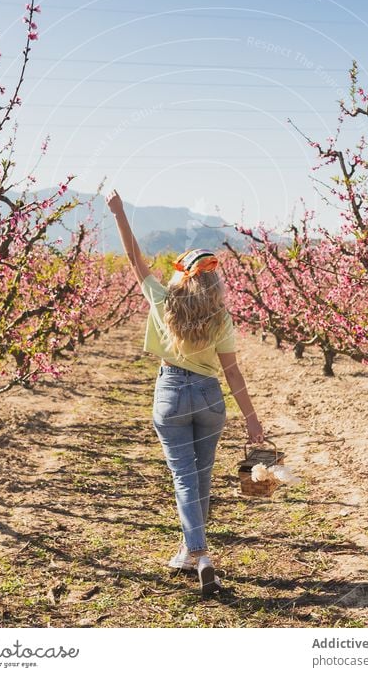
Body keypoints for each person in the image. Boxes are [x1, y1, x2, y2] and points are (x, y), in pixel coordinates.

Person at [105, 189, 265, 596]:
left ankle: (200, 551)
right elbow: (233, 373)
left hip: (172, 393)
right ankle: (188, 551)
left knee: (183, 478)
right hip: (211, 398)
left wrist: (120, 213)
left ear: (181, 276)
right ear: (214, 282)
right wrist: (252, 419)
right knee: (201, 477)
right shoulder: (221, 316)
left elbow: (134, 259)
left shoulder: (163, 302)